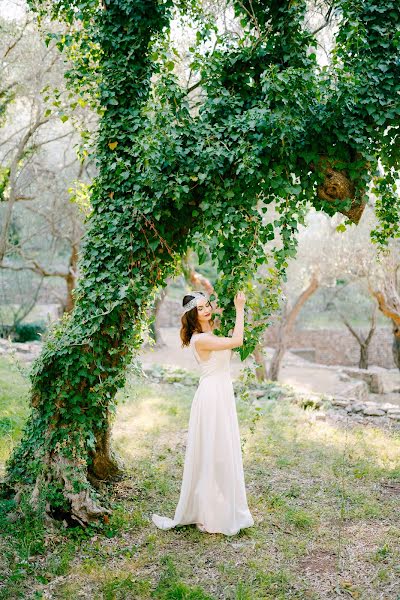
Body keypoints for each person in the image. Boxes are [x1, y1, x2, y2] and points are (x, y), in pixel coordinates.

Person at [151, 289, 254, 536]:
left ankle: (217, 506)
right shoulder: (201, 339)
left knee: (221, 451)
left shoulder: (209, 333)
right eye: (201, 308)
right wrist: (240, 308)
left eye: (207, 305)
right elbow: (238, 341)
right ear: (192, 316)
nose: (207, 310)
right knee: (212, 452)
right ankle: (208, 513)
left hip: (221, 393)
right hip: (211, 397)